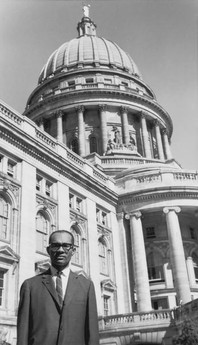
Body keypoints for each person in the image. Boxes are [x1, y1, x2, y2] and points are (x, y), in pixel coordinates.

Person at [17, 230, 99, 345]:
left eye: (66, 246)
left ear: (73, 250)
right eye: (55, 246)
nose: (61, 250)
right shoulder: (30, 286)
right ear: (48, 250)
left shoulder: (86, 286)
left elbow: (92, 332)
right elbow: (23, 331)